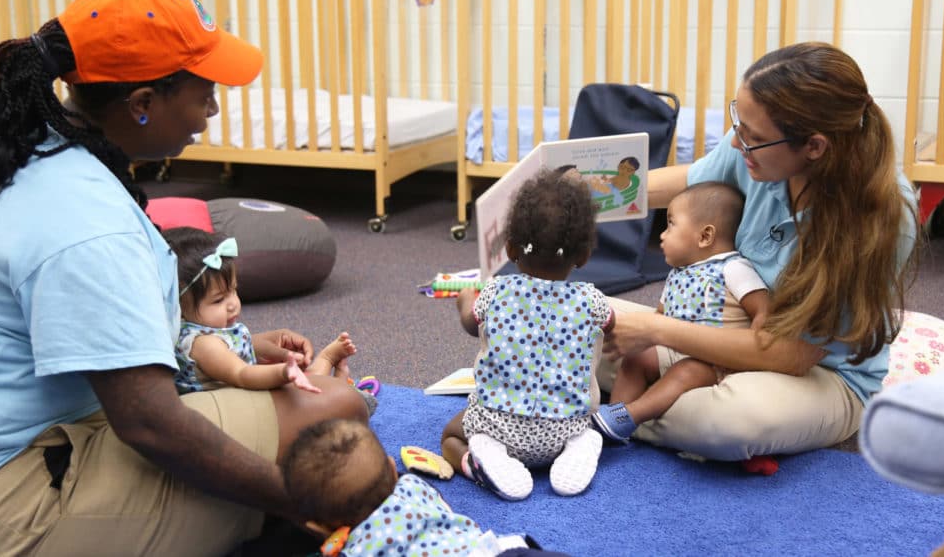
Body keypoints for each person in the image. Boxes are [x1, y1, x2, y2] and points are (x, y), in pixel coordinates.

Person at [0, 0, 368, 556]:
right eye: (203, 94)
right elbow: (151, 425)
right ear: (143, 103)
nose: (214, 109)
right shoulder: (87, 218)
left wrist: (215, 343)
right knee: (340, 416)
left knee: (314, 411)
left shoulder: (27, 152)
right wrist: (292, 500)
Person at [599, 41, 919, 463]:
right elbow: (690, 183)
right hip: (714, 335)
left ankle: (604, 412)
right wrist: (586, 196)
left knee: (730, 421)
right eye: (739, 125)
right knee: (564, 319)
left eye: (752, 138)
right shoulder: (761, 150)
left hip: (814, 373)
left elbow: (793, 354)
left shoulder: (881, 218)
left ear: (815, 147)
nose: (736, 145)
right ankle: (628, 412)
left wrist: (656, 331)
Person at [441, 168, 614, 501]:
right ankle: (581, 444)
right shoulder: (593, 301)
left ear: (510, 248)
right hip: (565, 426)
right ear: (584, 256)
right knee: (582, 422)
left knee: (451, 435)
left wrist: (465, 300)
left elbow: (469, 322)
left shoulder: (493, 293)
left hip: (500, 426)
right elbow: (611, 326)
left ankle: (479, 461)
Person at [593, 181, 769, 443]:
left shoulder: (732, 268)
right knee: (639, 357)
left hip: (716, 361)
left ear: (705, 236)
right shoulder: (677, 275)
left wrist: (751, 354)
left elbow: (764, 309)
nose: (662, 235)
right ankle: (612, 417)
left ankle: (632, 414)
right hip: (675, 349)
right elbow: (660, 320)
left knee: (687, 371)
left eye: (671, 225)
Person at [283, 419, 550, 557]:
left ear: (318, 528)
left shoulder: (353, 551)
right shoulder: (412, 486)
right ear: (391, 469)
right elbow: (443, 509)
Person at [163, 226, 355, 393]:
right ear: (178, 306)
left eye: (233, 290)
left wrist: (278, 345)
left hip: (240, 393)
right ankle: (330, 367)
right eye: (219, 299)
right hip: (232, 404)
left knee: (304, 386)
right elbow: (242, 373)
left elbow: (235, 345)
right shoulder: (203, 344)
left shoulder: (207, 329)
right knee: (297, 393)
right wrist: (282, 372)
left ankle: (332, 380)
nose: (233, 304)